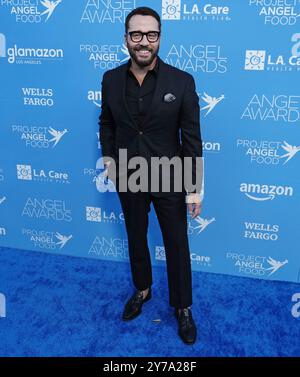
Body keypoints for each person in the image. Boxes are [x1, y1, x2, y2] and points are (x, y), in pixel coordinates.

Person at [99, 6, 203, 345]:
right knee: (136, 237)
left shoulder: (182, 81)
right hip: (129, 175)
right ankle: (142, 290)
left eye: (151, 35)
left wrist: (194, 188)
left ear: (159, 38)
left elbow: (191, 138)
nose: (144, 42)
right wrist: (110, 161)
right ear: (126, 38)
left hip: (170, 175)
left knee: (177, 243)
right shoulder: (111, 79)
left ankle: (182, 307)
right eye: (137, 34)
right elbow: (107, 123)